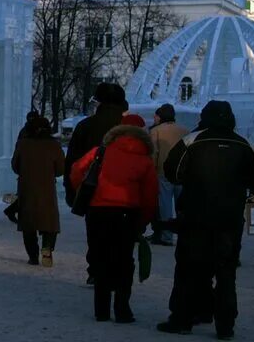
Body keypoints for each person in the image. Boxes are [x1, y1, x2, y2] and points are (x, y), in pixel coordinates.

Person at [157, 100, 254, 339]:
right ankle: (225, 325)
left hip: (195, 216)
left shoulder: (192, 140)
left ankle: (182, 318)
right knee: (226, 272)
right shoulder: (245, 144)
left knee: (189, 269)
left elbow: (172, 172)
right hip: (229, 218)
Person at [70, 113, 158, 324]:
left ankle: (101, 310)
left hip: (98, 211)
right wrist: (143, 221)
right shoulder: (145, 159)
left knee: (100, 257)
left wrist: (84, 193)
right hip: (128, 214)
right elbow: (150, 195)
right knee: (124, 261)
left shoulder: (100, 151)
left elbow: (76, 171)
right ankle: (122, 309)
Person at [65, 83, 128, 283]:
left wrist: (72, 191)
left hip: (93, 190)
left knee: (96, 233)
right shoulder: (130, 128)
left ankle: (96, 269)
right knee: (120, 235)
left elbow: (73, 162)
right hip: (126, 192)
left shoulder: (86, 126)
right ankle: (116, 270)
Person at [11, 112, 65, 267]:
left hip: (27, 188)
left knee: (28, 224)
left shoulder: (23, 144)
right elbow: (61, 169)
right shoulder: (54, 145)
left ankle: (33, 256)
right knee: (49, 221)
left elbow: (15, 166)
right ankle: (47, 247)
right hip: (47, 189)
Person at [149, 103, 188, 245]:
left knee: (165, 204)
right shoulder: (184, 130)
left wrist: (152, 170)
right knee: (182, 205)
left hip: (163, 172)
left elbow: (154, 153)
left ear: (160, 116)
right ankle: (184, 234)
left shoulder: (156, 131)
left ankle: (166, 235)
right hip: (182, 173)